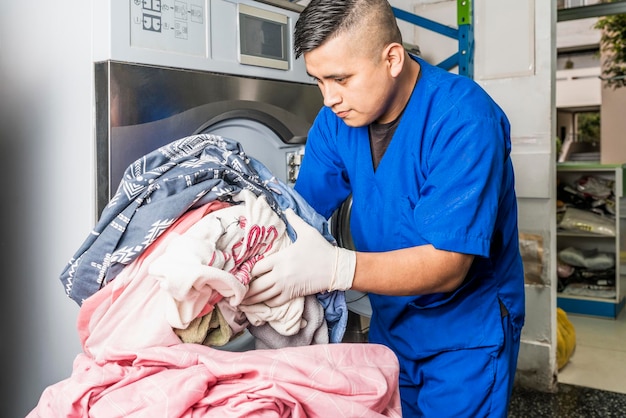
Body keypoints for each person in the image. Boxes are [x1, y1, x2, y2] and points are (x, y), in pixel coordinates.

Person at [242, 0, 526, 416]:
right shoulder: (335, 122)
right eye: (318, 81)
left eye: (340, 78)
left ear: (392, 58)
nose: (329, 99)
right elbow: (301, 213)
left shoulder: (464, 118)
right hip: (392, 321)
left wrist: (335, 267)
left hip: (466, 333)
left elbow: (449, 265)